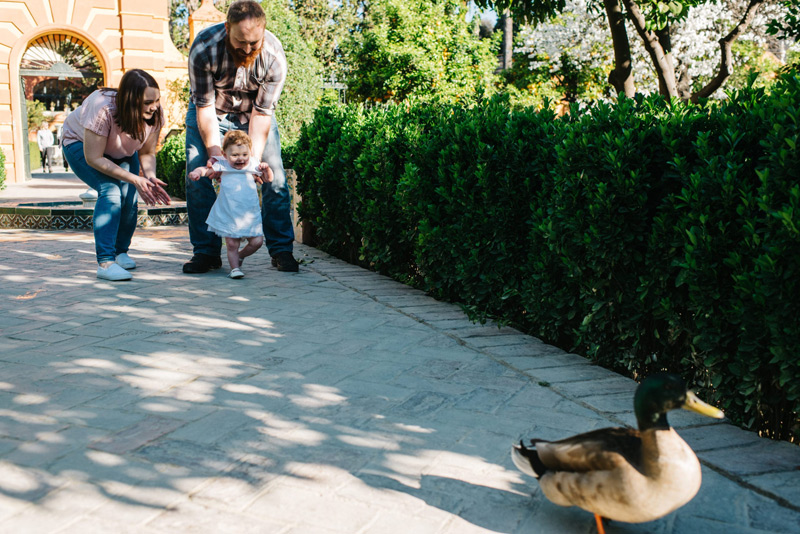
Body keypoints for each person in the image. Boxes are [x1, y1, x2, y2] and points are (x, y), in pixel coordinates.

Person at [184, 0, 299, 274]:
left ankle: (281, 250)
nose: (247, 49)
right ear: (227, 28)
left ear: (263, 32)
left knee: (274, 177)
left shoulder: (273, 57)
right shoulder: (203, 48)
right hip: (212, 112)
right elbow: (204, 109)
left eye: (253, 43)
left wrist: (253, 162)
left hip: (254, 115)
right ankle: (206, 252)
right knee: (197, 175)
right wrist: (216, 157)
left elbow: (262, 114)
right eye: (240, 42)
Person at [61, 69, 171, 281]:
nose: (155, 106)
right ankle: (105, 262)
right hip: (81, 145)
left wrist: (149, 177)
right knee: (110, 191)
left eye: (157, 100)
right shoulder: (102, 108)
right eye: (148, 102)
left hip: (121, 150)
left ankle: (120, 252)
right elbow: (94, 158)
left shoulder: (155, 114)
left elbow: (147, 152)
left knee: (130, 198)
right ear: (130, 100)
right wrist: (134, 178)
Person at [188, 130, 271, 279]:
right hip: (229, 212)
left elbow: (268, 179)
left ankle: (240, 256)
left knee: (257, 242)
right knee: (232, 244)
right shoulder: (223, 165)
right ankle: (235, 269)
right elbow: (206, 170)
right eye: (235, 155)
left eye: (244, 154)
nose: (240, 158)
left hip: (249, 214)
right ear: (224, 155)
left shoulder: (253, 164)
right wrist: (197, 172)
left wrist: (267, 169)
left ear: (250, 153)